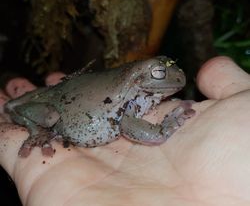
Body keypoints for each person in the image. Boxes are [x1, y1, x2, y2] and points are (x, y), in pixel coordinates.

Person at [0, 56, 250, 206]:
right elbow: (126, 123)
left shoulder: (141, 91)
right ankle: (35, 125)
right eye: (160, 73)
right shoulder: (132, 94)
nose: (175, 76)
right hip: (60, 108)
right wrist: (163, 128)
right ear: (141, 79)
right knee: (46, 114)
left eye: (169, 67)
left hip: (74, 93)